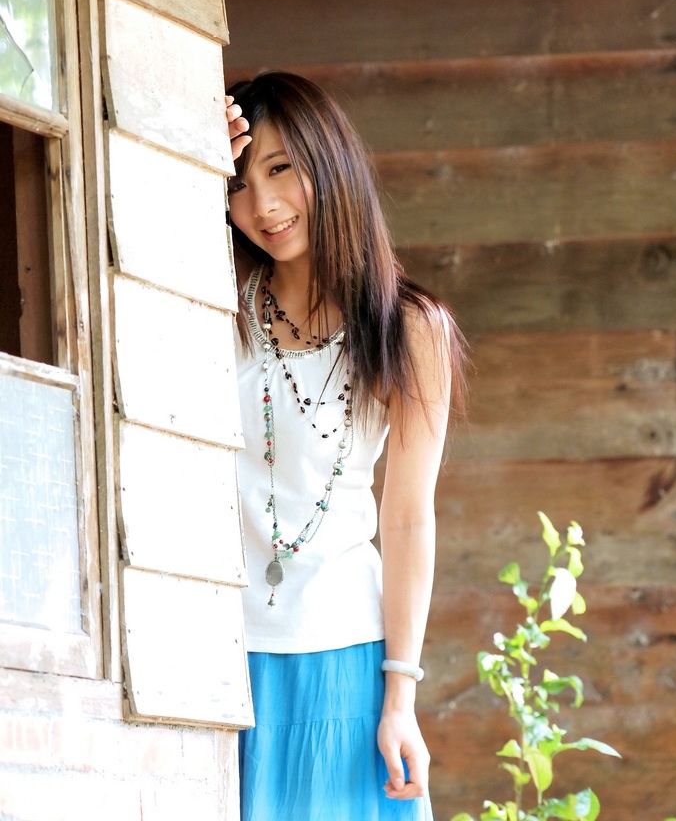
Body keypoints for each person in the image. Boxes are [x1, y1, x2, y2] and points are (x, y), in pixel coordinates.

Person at [224, 72, 465, 821]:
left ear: (329, 162)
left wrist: (400, 697)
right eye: (237, 183)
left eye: (280, 169)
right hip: (221, 660)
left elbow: (408, 518)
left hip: (345, 661)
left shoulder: (407, 327)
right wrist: (192, 165)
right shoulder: (211, 302)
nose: (263, 205)